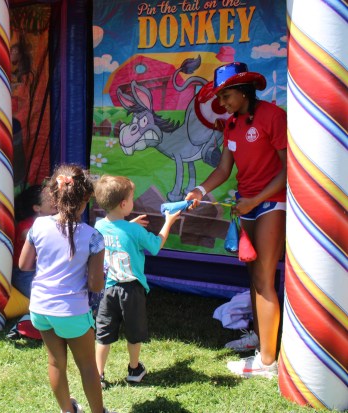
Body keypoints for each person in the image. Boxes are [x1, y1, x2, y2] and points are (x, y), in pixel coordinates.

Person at [187, 62, 286, 378]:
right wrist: (201, 189)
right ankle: (259, 340)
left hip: (272, 204)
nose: (223, 103)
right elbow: (223, 170)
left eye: (227, 95)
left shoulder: (273, 116)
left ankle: (267, 363)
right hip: (246, 207)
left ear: (244, 91)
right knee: (253, 278)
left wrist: (256, 200)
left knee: (264, 279)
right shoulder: (230, 125)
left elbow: (289, 168)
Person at [19, 164, 116, 413]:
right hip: (72, 311)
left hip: (40, 308)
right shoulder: (93, 237)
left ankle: (67, 410)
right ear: (85, 202)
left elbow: (24, 264)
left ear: (54, 195)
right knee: (86, 366)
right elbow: (95, 285)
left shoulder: (38, 226)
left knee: (55, 363)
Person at [93, 175, 180, 388]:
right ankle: (134, 369)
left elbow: (114, 231)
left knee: (103, 334)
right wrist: (168, 222)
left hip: (109, 289)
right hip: (131, 290)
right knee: (134, 332)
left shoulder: (99, 226)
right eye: (132, 198)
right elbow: (156, 245)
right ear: (124, 204)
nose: (133, 202)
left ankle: (98, 375)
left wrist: (127, 224)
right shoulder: (135, 231)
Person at [12, 184, 56, 298]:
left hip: (41, 272)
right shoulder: (26, 227)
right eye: (49, 199)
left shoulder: (53, 223)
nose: (54, 200)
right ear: (37, 208)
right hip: (24, 274)